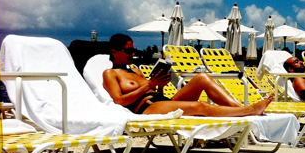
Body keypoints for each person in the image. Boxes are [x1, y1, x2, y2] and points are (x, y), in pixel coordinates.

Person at [103, 34, 273, 116]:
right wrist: (149, 84)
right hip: (147, 108)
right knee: (201, 105)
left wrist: (159, 86)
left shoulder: (136, 70)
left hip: (161, 101)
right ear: (114, 51)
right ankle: (248, 111)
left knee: (202, 78)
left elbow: (154, 92)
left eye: (133, 50)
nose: (132, 54)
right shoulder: (110, 73)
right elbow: (119, 101)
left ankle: (239, 108)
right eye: (128, 51)